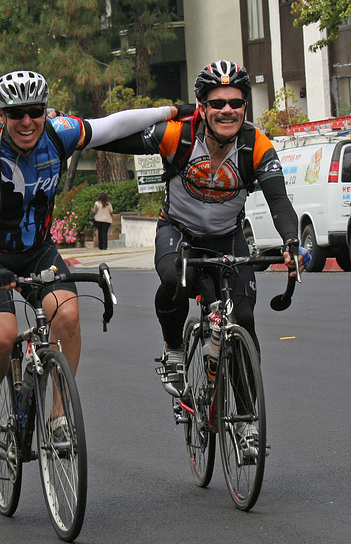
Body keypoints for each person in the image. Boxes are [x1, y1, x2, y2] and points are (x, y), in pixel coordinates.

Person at [0, 69, 181, 474]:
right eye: (16, 113)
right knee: (4, 332)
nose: (27, 122)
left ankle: (59, 417)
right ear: (0, 115)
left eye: (35, 111)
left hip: (37, 249)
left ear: (45, 110)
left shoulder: (59, 133)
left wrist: (171, 110)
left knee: (69, 312)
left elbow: (114, 125)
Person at [97, 60, 304, 421]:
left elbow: (279, 201)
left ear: (245, 107)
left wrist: (290, 242)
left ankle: (247, 421)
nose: (228, 110)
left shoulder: (256, 145)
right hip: (179, 233)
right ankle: (175, 349)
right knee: (176, 277)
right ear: (203, 108)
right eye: (218, 103)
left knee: (243, 317)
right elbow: (110, 134)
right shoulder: (179, 135)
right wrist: (72, 129)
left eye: (236, 103)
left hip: (228, 238)